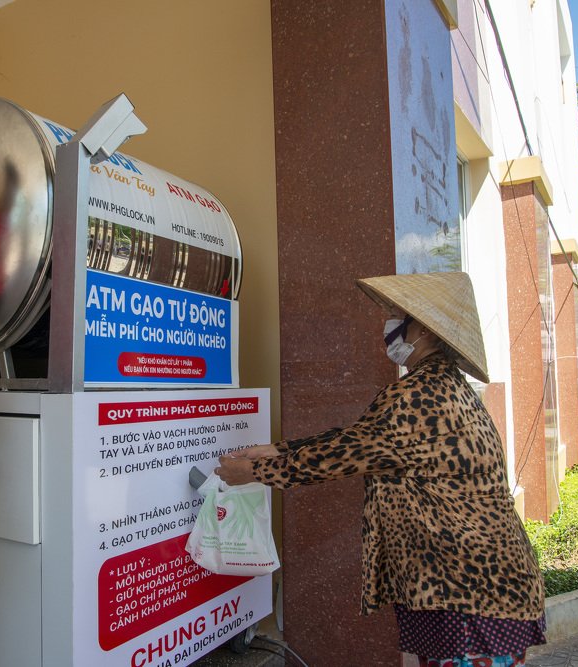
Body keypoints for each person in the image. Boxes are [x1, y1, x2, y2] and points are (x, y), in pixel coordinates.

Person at [217, 272, 546, 667]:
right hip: (479, 582)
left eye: (394, 314)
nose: (387, 325)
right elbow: (361, 441)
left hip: (467, 587)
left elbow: (345, 455)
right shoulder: (445, 386)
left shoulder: (418, 396)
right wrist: (276, 449)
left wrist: (255, 473)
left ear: (420, 329)